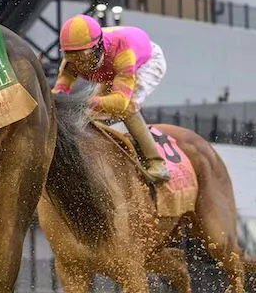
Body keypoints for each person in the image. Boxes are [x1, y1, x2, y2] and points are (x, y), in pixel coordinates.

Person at [53, 14, 171, 182]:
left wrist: (82, 102)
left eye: (84, 57)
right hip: (110, 67)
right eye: (73, 57)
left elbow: (119, 103)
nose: (79, 64)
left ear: (98, 46)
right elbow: (58, 94)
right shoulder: (74, 59)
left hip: (145, 62)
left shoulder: (123, 52)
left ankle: (157, 163)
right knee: (90, 112)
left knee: (127, 108)